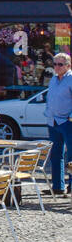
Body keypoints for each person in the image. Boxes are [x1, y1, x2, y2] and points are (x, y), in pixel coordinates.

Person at [45, 52, 72, 195]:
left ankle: (71, 187)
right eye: (54, 64)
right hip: (53, 121)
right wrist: (47, 112)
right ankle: (58, 187)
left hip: (67, 122)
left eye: (60, 64)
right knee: (56, 155)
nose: (56, 67)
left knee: (71, 157)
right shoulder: (53, 80)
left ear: (68, 65)